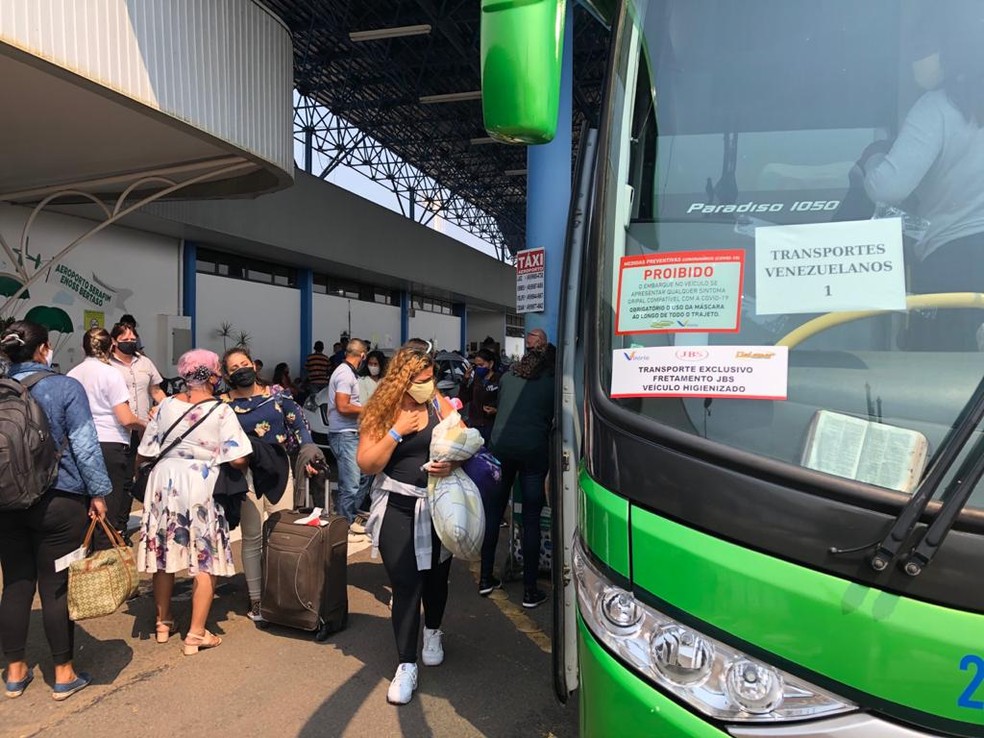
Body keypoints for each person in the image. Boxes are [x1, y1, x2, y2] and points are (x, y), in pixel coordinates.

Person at [859, 2, 984, 350]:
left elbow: (888, 187)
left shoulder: (938, 107)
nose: (915, 55)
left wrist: (873, 159)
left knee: (942, 380)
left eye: (922, 46)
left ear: (950, 47)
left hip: (954, 266)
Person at [0, 321, 111, 701]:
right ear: (44, 349)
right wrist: (98, 493)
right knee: (55, 588)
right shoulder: (64, 387)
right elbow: (85, 445)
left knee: (15, 584)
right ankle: (63, 674)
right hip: (59, 501)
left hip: (6, 502)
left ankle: (15, 672)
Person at [357, 346, 460, 705]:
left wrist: (451, 462)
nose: (426, 385)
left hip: (437, 505)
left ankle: (432, 630)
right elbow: (367, 463)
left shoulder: (436, 402)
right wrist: (397, 432)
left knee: (436, 578)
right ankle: (406, 663)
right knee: (405, 584)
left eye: (430, 379)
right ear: (401, 380)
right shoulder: (381, 410)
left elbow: (463, 439)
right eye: (419, 380)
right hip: (397, 508)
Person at [135, 349, 251, 655]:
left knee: (164, 552)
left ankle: (163, 623)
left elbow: (145, 451)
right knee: (204, 557)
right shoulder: (221, 411)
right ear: (214, 376)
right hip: (200, 482)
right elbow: (239, 457)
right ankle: (196, 634)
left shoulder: (165, 405)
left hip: (164, 480)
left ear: (184, 376)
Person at [220, 347, 318, 622]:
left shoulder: (277, 396)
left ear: (254, 365)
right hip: (243, 474)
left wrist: (309, 453)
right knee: (252, 537)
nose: (241, 369)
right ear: (227, 375)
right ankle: (257, 600)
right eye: (234, 367)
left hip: (278, 470)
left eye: (245, 363)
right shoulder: (221, 405)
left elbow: (299, 426)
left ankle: (281, 592)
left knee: (279, 534)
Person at [480, 331, 556, 608]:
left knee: (495, 511)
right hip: (533, 453)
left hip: (500, 448)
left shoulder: (508, 377)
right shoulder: (551, 381)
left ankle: (486, 579)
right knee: (532, 518)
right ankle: (530, 591)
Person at [67, 328, 147, 549]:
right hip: (109, 444)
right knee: (107, 508)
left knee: (85, 506)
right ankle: (105, 566)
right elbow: (125, 418)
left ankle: (85, 560)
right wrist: (145, 424)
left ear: (85, 347)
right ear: (111, 346)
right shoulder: (111, 374)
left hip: (79, 444)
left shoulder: (72, 373)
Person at [327, 339, 368, 530]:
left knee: (363, 477)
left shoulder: (347, 373)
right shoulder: (345, 374)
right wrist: (367, 410)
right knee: (350, 483)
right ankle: (345, 524)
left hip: (351, 432)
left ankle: (350, 515)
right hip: (344, 434)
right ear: (362, 355)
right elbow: (343, 406)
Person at [109, 321, 166, 421]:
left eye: (132, 340)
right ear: (114, 341)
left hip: (143, 424)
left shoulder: (145, 362)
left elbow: (156, 391)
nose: (129, 342)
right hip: (118, 426)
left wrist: (165, 407)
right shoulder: (108, 364)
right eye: (125, 340)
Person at [459, 348, 500, 446]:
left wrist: (495, 410)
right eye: (476, 365)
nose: (479, 368)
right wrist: (465, 380)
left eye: (481, 365)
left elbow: (505, 402)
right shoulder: (476, 380)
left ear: (491, 364)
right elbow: (463, 398)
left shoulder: (499, 380)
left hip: (491, 425)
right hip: (475, 424)